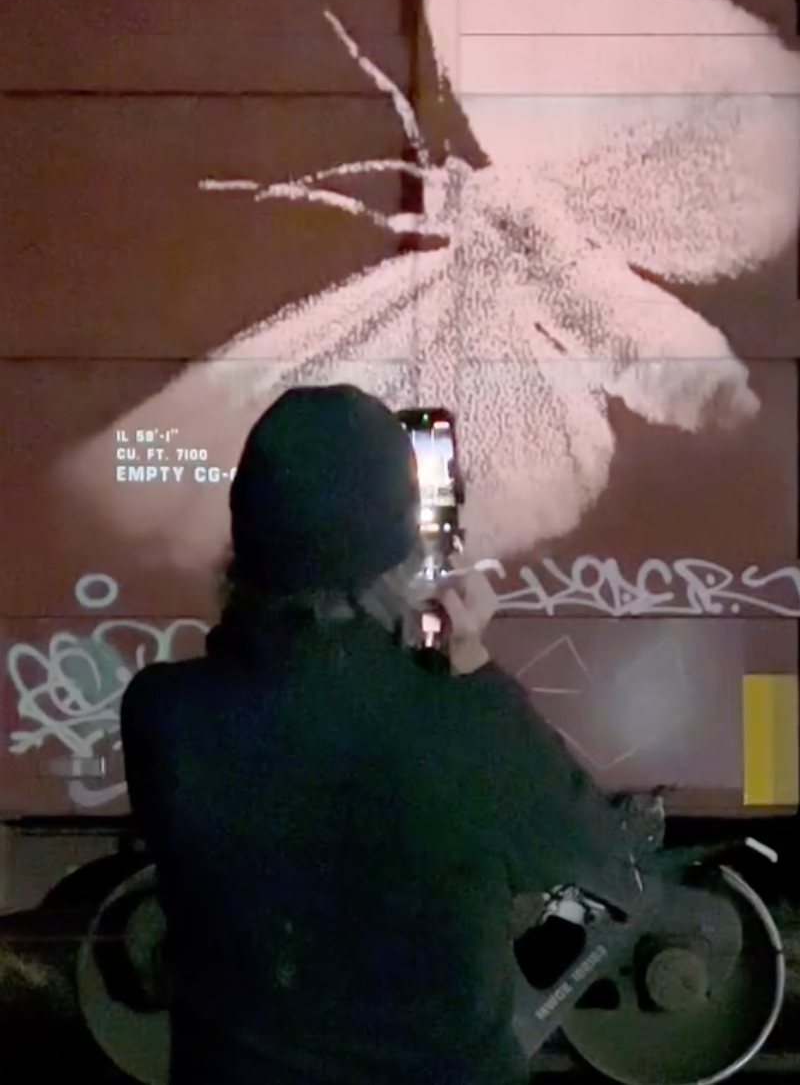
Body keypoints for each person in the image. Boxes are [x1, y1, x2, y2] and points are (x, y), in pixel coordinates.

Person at [120, 385, 634, 1085]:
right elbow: (591, 855)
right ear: (399, 549)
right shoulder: (460, 721)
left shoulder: (163, 714)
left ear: (246, 535)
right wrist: (473, 666)